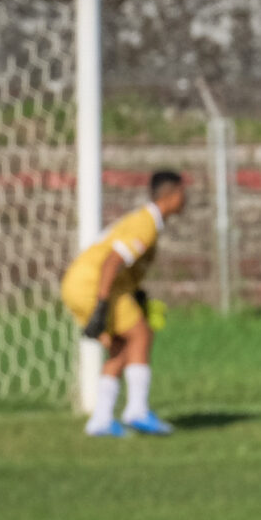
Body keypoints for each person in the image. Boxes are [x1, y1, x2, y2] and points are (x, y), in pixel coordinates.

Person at [61, 169, 186, 437]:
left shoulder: (144, 220)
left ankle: (101, 420)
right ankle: (137, 410)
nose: (185, 200)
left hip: (76, 283)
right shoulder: (146, 224)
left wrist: (135, 292)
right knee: (141, 334)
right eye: (183, 194)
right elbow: (112, 262)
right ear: (172, 195)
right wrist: (103, 304)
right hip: (93, 285)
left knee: (120, 345)